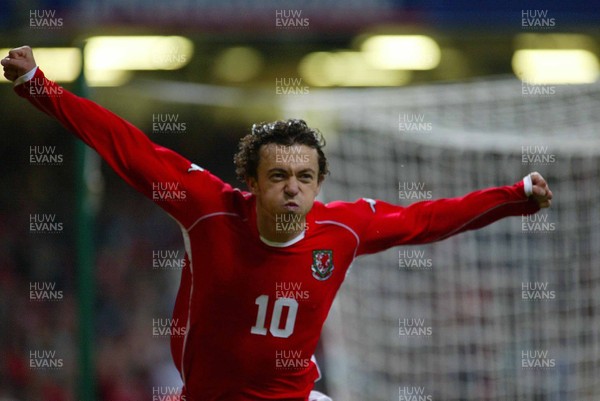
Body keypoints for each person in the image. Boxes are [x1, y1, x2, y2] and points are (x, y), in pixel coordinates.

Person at [2, 46, 553, 401]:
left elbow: (427, 218)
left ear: (318, 184)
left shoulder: (343, 229)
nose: (293, 187)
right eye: (279, 175)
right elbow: (126, 146)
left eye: (305, 177)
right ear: (252, 180)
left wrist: (516, 197)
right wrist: (37, 86)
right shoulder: (207, 206)